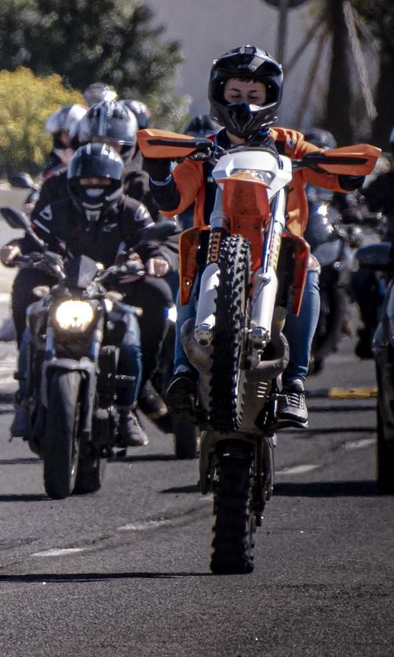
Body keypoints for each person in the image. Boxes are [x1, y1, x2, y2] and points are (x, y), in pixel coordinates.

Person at [148, 46, 365, 428]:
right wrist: (159, 172)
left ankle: (295, 382)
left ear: (269, 98)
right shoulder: (204, 147)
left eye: (253, 96)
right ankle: (182, 373)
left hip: (279, 248)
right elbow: (172, 201)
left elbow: (334, 175)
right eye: (235, 95)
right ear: (219, 95)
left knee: (311, 269)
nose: (244, 104)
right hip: (216, 245)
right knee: (189, 273)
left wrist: (348, 171)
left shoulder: (289, 144)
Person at [5, 144, 169, 447]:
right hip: (63, 287)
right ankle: (26, 399)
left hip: (114, 289)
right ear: (73, 181)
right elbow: (34, 239)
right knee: (31, 313)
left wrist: (153, 260)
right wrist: (17, 247)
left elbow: (152, 244)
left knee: (144, 314)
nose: (94, 186)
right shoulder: (56, 209)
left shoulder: (134, 210)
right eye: (87, 181)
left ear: (116, 181)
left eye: (101, 181)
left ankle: (126, 409)